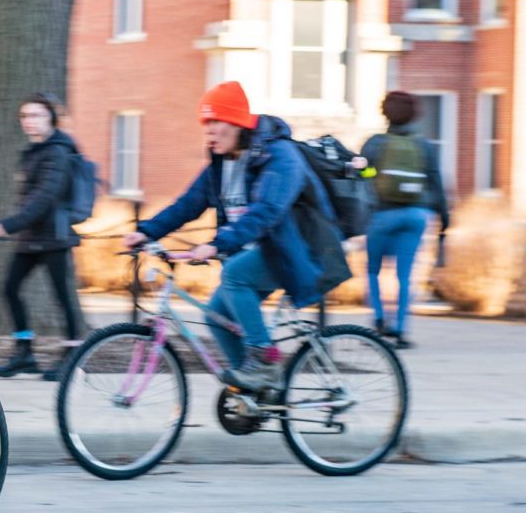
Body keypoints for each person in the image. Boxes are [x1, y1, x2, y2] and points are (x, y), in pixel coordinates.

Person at [122, 81, 347, 394]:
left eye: (217, 122)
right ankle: (256, 392)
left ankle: (265, 363)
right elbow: (188, 204)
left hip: (298, 249)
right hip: (264, 251)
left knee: (235, 275)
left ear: (239, 123)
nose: (210, 132)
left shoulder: (280, 156)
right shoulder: (222, 163)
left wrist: (218, 243)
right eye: (206, 124)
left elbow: (268, 210)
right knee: (217, 317)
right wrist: (146, 232)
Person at [0, 93, 85, 382]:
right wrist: (20, 225)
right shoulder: (35, 150)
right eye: (25, 116)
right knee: (10, 288)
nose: (29, 122)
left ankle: (72, 357)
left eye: (36, 116)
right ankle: (24, 352)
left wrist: (12, 223)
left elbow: (45, 196)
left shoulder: (58, 152)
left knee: (62, 298)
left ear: (51, 119)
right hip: (32, 236)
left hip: (54, 237)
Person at [360, 91, 450, 349]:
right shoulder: (424, 146)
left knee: (374, 270)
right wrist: (444, 218)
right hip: (416, 215)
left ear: (385, 113)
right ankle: (400, 329)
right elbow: (436, 183)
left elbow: (363, 174)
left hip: (381, 214)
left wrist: (372, 177)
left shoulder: (375, 143)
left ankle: (378, 320)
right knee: (405, 275)